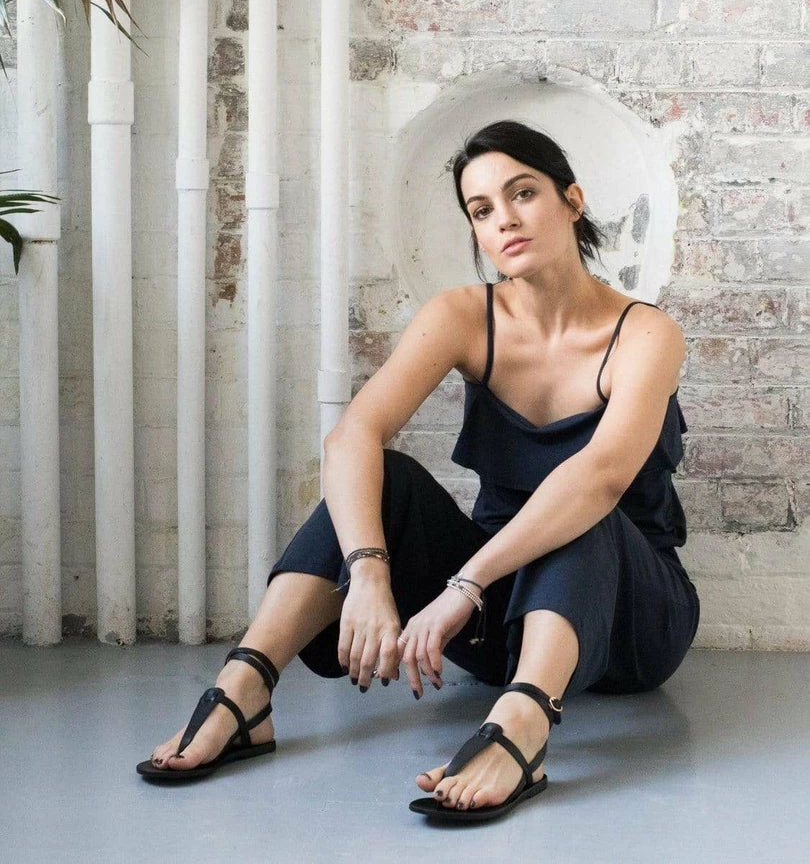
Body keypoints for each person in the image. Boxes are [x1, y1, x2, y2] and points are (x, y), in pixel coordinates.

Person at [138, 119, 700, 824]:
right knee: (387, 475)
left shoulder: (646, 332)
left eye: (523, 193)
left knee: (579, 506)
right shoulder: (464, 317)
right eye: (482, 210)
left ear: (572, 200)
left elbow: (600, 479)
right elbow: (352, 436)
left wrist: (464, 585)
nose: (504, 220)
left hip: (630, 623)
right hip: (502, 621)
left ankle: (523, 727)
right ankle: (244, 688)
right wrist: (368, 573)